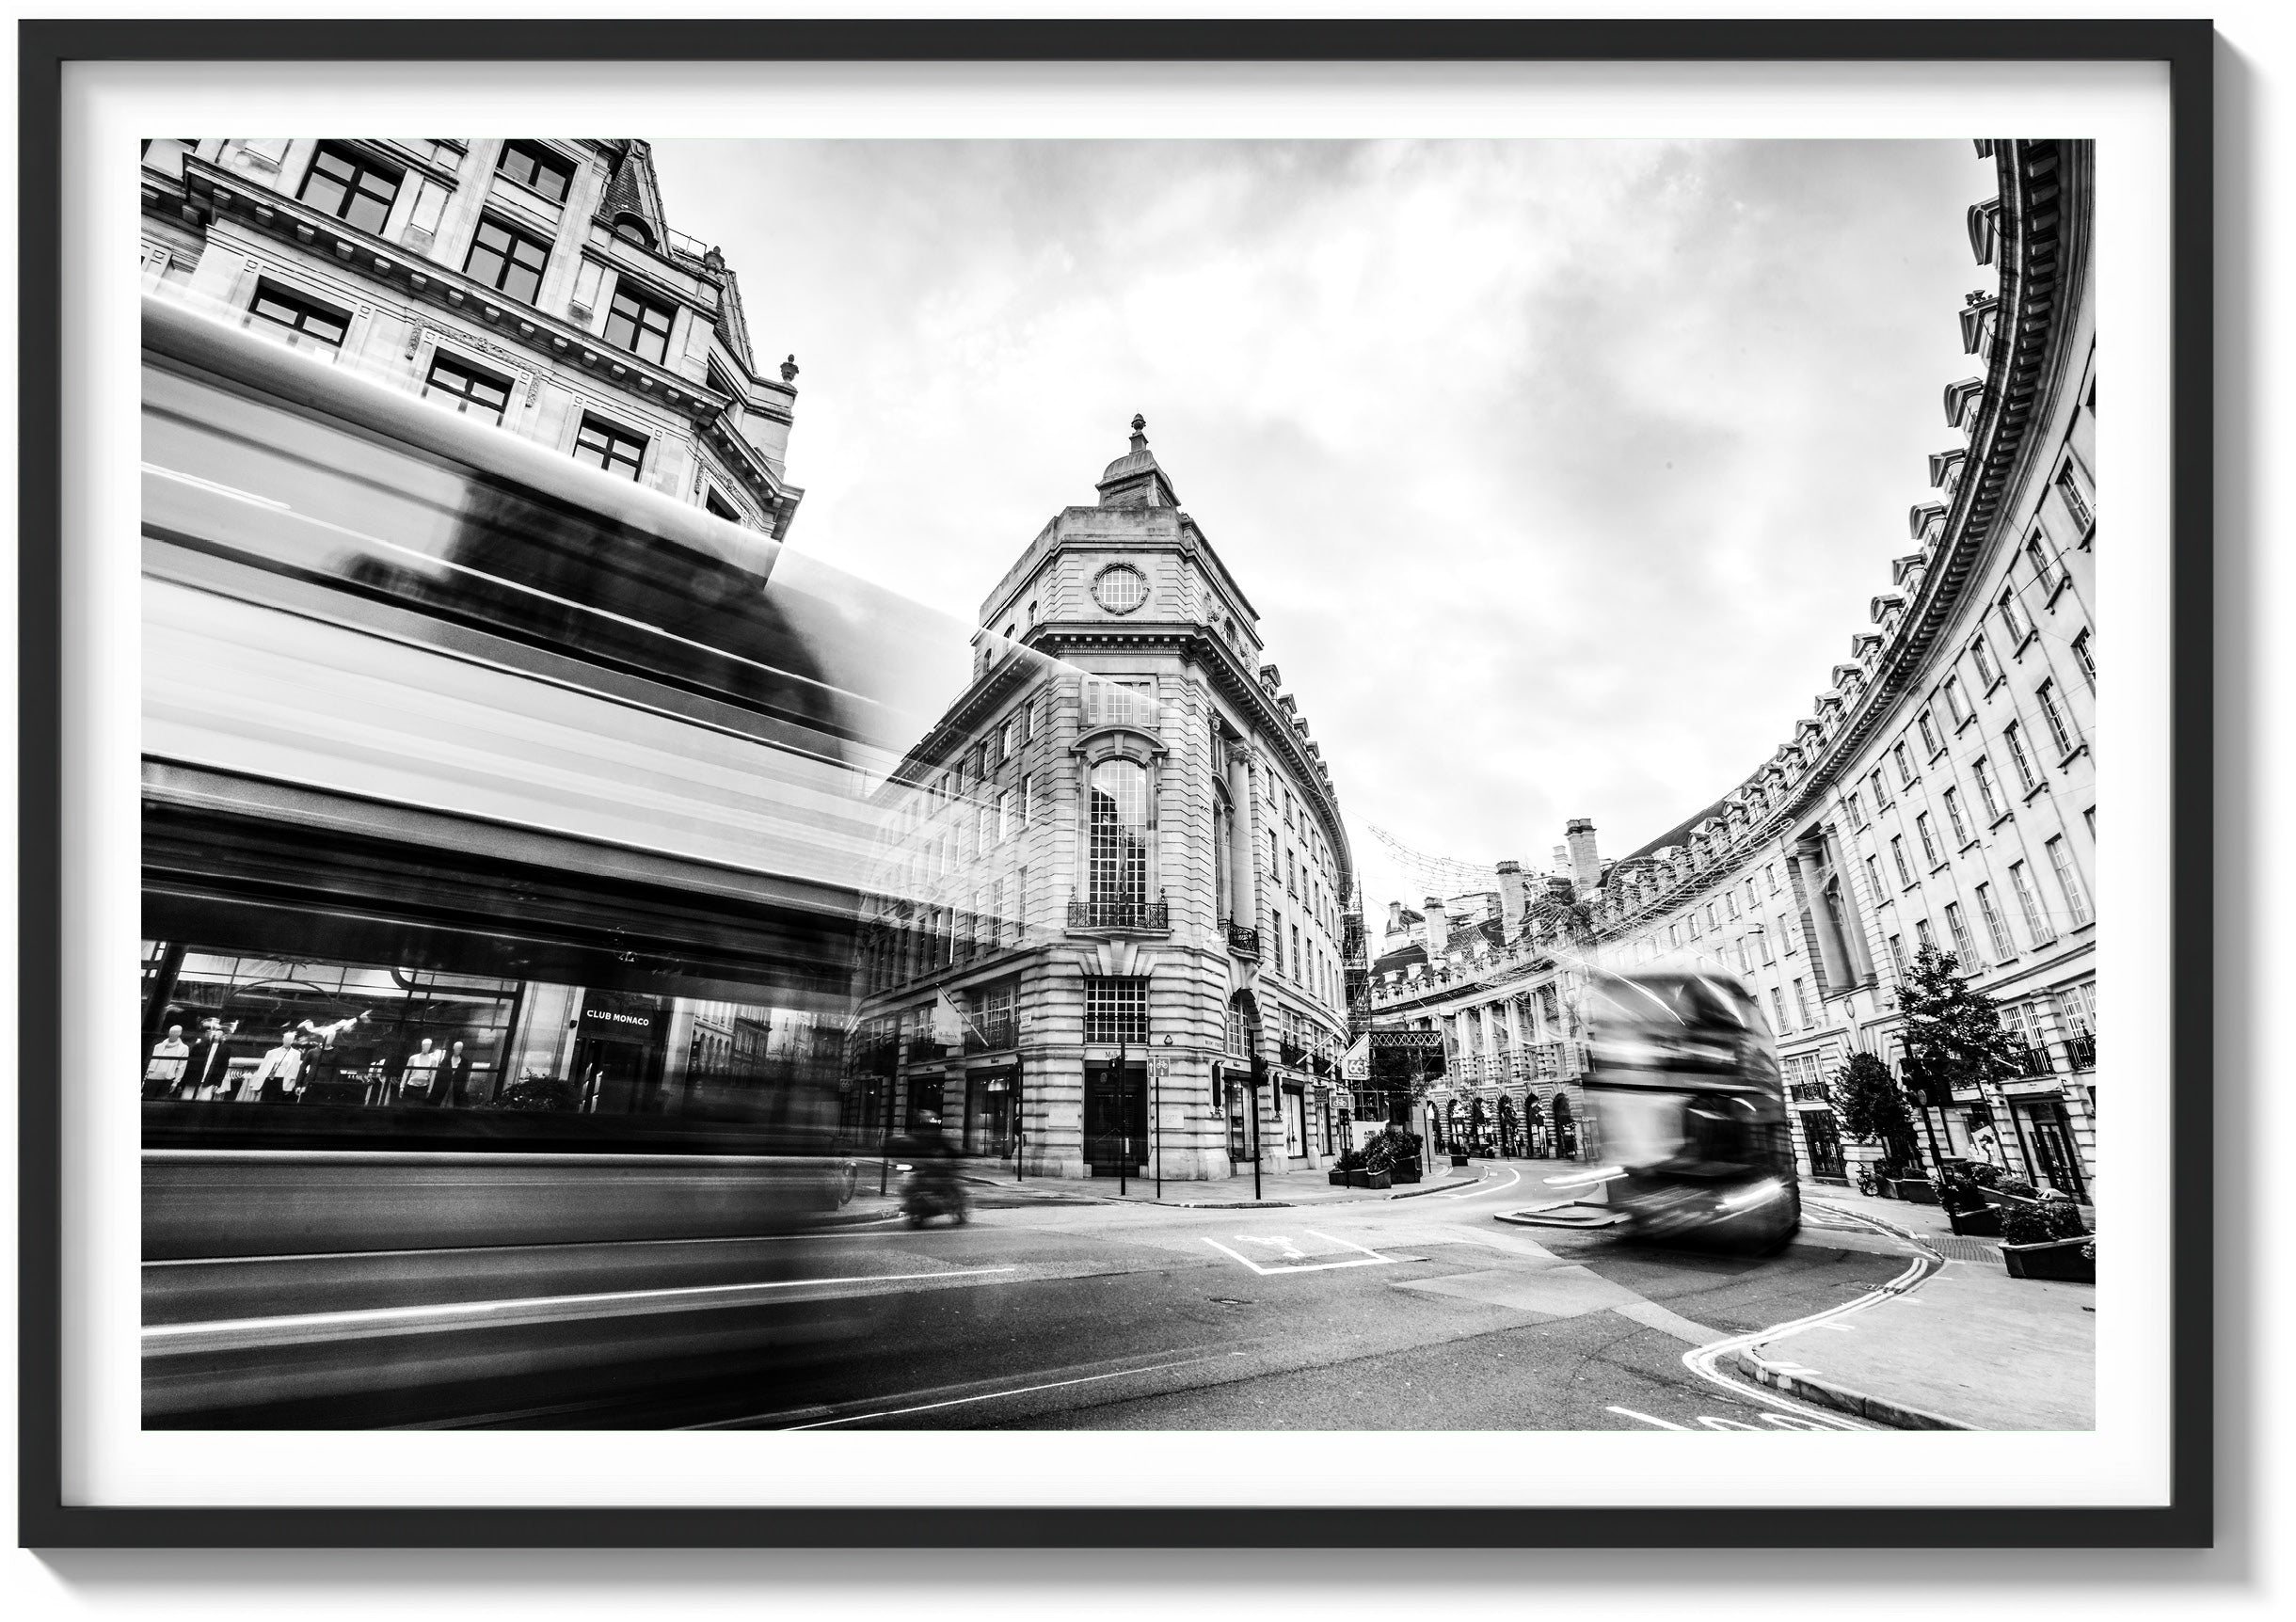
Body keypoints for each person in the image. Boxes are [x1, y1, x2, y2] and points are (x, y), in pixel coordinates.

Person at [177, 1018, 236, 1101]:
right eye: (214, 1032)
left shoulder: (225, 1049)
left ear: (222, 1035)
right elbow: (189, 1063)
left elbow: (223, 1066)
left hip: (209, 1081)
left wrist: (218, 1083)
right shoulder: (199, 1046)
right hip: (193, 1080)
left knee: (202, 1103)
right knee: (186, 1100)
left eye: (219, 1032)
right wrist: (182, 1082)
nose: (215, 1034)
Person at [248, 1028, 305, 1105]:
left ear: (292, 1041)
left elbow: (294, 1070)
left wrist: (290, 1086)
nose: (287, 1041)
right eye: (286, 1039)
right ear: (283, 1039)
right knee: (264, 1102)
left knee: (277, 1103)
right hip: (269, 1079)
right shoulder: (271, 1052)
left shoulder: (296, 1054)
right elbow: (263, 1068)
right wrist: (255, 1083)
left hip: (282, 1081)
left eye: (290, 1039)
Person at [143, 1025, 190, 1098]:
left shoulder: (183, 1048)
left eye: (175, 1033)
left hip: (167, 1079)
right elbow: (149, 1061)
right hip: (152, 1077)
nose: (172, 1034)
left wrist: (176, 1081)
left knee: (160, 1103)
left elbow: (182, 1066)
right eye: (171, 1032)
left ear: (179, 1034)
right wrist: (145, 1076)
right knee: (146, 1100)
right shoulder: (158, 1046)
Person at [398, 1037, 445, 1106]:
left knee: (418, 1109)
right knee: (407, 1108)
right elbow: (406, 1072)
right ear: (422, 1045)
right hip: (411, 1086)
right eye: (424, 1045)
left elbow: (433, 1076)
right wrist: (401, 1086)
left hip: (423, 1088)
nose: (426, 1047)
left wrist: (429, 1089)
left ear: (430, 1047)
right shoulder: (413, 1058)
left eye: (428, 1046)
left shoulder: (433, 1060)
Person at [442, 1040, 474, 1107]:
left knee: (451, 1103)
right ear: (453, 1048)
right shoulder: (446, 1059)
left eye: (460, 1048)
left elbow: (464, 1076)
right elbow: (441, 1072)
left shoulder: (464, 1062)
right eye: (457, 1048)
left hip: (457, 1086)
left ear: (462, 1049)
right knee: (442, 1102)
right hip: (445, 1083)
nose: (458, 1050)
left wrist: (462, 1088)